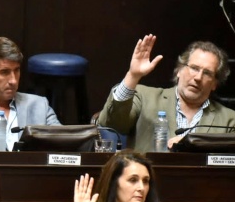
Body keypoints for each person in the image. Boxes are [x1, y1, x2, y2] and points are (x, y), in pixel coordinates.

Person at [97, 34, 235, 153]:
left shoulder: (229, 119)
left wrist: (191, 143)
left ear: (215, 84)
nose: (198, 77)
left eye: (207, 73)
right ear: (179, 70)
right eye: (194, 68)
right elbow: (112, 123)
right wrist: (133, 75)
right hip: (148, 181)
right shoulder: (144, 97)